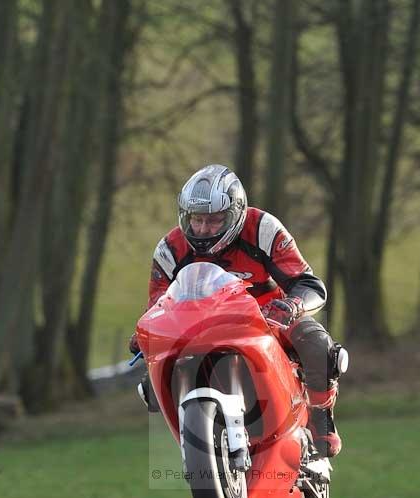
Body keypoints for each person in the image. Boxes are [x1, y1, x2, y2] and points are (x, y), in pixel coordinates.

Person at [130, 164, 348, 458]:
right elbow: (158, 304)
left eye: (215, 220)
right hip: (197, 329)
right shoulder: (170, 249)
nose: (204, 229)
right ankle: (199, 442)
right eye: (197, 220)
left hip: (269, 320)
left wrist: (292, 305)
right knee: (151, 386)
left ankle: (322, 418)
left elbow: (308, 283)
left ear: (235, 214)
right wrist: (145, 334)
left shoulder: (263, 229)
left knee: (318, 344)